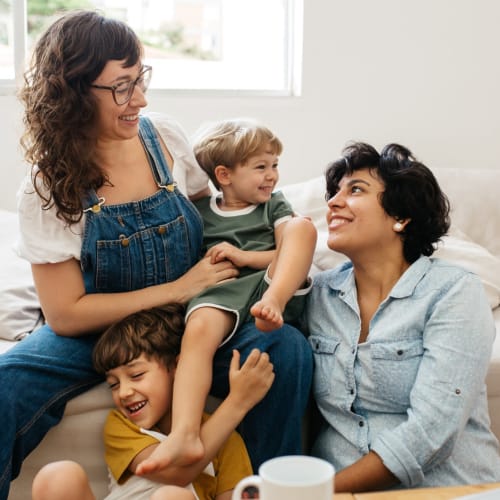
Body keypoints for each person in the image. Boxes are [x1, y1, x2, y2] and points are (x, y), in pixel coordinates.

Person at [0, 10, 313, 498]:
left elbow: (213, 220)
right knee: (7, 383)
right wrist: (174, 288)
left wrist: (260, 257)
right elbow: (64, 314)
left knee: (285, 349)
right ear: (75, 94)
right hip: (101, 330)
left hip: (193, 316)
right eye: (122, 87)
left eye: (140, 78)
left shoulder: (163, 137)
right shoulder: (48, 185)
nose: (140, 99)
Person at [303, 142, 500, 492]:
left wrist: (315, 493)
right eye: (334, 192)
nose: (332, 202)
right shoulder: (318, 295)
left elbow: (432, 431)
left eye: (356, 190)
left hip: (451, 489)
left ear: (401, 216)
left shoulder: (454, 292)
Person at [139, 119, 317, 471]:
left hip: (269, 283)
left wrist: (247, 257)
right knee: (200, 329)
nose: (272, 176)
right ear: (224, 175)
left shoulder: (274, 207)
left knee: (302, 227)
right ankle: (185, 433)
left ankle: (275, 305)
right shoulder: (201, 214)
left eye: (275, 165)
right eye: (260, 167)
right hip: (223, 290)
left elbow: (289, 251)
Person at [32, 304, 274, 500]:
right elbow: (172, 473)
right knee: (58, 477)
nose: (124, 392)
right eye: (113, 384)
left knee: (171, 497)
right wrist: (238, 402)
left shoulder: (227, 441)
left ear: (178, 367)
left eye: (136, 375)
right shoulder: (122, 426)